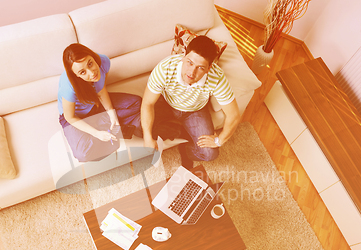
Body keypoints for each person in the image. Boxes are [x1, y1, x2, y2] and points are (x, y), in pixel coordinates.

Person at [141, 35, 241, 169]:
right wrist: (147, 137)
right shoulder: (165, 68)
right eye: (190, 62)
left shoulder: (216, 78)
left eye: (200, 68)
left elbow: (233, 115)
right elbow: (147, 103)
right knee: (139, 126)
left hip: (195, 111)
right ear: (183, 56)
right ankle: (179, 131)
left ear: (209, 68)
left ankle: (186, 147)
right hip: (167, 104)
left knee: (210, 154)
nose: (191, 73)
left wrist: (219, 140)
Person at [58, 43, 143, 162]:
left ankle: (103, 123)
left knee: (137, 103)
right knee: (83, 154)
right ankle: (101, 128)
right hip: (75, 116)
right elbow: (70, 117)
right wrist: (97, 133)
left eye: (90, 63)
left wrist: (112, 115)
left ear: (92, 56)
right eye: (83, 72)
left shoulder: (103, 61)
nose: (92, 72)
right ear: (76, 75)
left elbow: (101, 89)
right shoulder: (68, 85)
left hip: (95, 104)